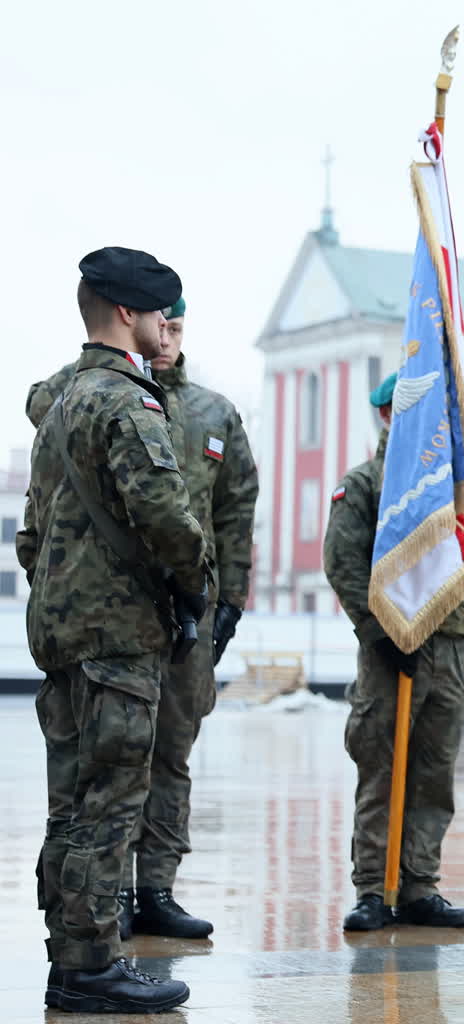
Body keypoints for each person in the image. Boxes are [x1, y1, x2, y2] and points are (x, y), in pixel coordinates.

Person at [27, 294, 259, 940]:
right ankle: (102, 910)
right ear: (135, 320)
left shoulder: (213, 413)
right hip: (112, 611)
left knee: (169, 753)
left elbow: (235, 513)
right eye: (162, 323)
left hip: (186, 612)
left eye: (177, 326)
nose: (168, 337)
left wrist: (228, 601)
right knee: (105, 764)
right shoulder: (92, 394)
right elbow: (41, 444)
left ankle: (155, 888)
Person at [18, 247, 209, 1013]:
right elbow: (166, 515)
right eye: (159, 311)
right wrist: (194, 586)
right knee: (111, 803)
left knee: (71, 803)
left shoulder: (60, 401)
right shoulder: (128, 401)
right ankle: (94, 965)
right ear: (127, 314)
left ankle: (70, 959)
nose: (167, 324)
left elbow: (31, 535)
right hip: (118, 637)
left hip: (63, 635)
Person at [323, 373, 464, 932]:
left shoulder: (457, 483)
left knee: (433, 773)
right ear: (388, 415)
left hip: (449, 648)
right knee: (382, 771)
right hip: (391, 649)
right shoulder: (365, 484)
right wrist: (381, 633)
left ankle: (420, 885)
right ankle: (373, 888)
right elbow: (342, 562)